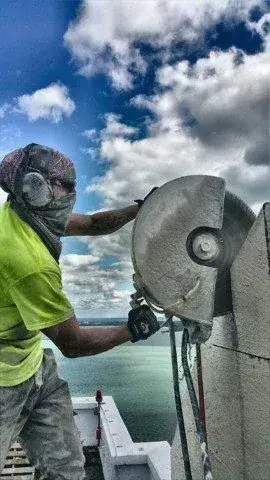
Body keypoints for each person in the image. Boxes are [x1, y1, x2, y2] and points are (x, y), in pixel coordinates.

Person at [0, 143, 159, 480]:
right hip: (3, 382)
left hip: (33, 366)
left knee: (66, 471)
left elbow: (91, 223)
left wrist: (138, 210)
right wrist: (131, 331)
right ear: (35, 190)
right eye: (65, 185)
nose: (72, 192)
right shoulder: (28, 261)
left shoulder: (27, 214)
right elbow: (73, 343)